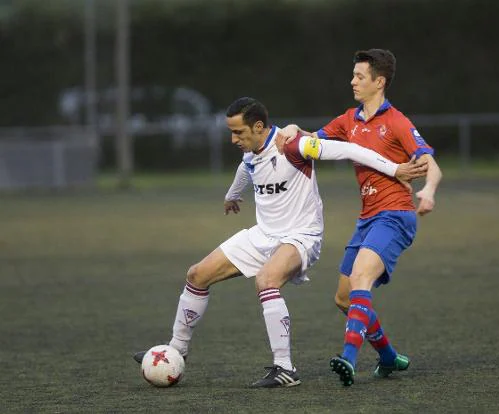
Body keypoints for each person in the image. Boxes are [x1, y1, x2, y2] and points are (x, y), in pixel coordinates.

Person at [132, 96, 428, 388]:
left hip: (300, 236)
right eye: (231, 132)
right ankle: (175, 350)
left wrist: (394, 169)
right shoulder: (251, 151)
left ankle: (285, 369)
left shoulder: (295, 144)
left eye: (238, 132)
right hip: (263, 234)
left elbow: (348, 148)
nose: (234, 139)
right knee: (197, 274)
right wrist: (232, 195)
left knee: (266, 280)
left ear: (259, 126)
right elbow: (246, 167)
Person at [277, 49, 443, 386]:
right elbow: (313, 142)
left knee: (361, 279)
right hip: (367, 218)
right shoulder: (348, 120)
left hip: (395, 215)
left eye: (359, 76)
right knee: (342, 297)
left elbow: (430, 164)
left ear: (379, 82)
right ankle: (387, 356)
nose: (352, 81)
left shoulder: (397, 121)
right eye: (353, 75)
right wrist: (294, 130)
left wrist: (429, 191)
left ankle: (348, 359)